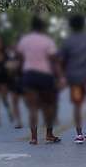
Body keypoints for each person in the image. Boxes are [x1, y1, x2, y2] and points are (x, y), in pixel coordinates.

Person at [16, 15, 66, 144]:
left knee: (32, 108)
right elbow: (54, 60)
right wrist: (60, 76)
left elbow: (20, 58)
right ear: (42, 28)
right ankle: (49, 134)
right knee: (49, 106)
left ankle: (34, 138)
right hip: (45, 76)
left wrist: (20, 73)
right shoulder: (47, 41)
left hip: (29, 75)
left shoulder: (24, 40)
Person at [60, 13, 86, 143]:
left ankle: (79, 135)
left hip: (75, 78)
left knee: (77, 104)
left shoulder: (67, 41)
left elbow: (62, 60)